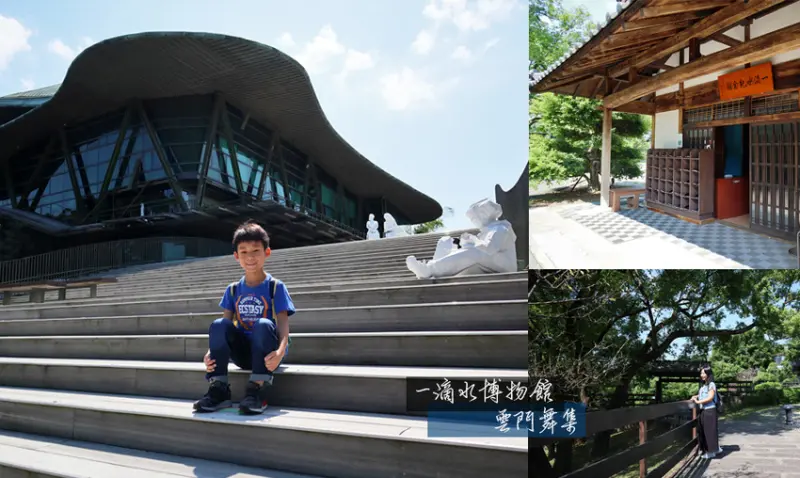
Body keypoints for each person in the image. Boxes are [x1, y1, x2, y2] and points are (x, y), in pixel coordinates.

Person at [193, 221, 295, 415]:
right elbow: (225, 325)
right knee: (218, 324)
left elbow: (283, 324)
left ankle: (257, 389)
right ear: (236, 256)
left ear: (267, 253)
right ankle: (219, 388)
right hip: (242, 354)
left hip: (267, 354)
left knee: (264, 324)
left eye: (256, 251)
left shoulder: (275, 286)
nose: (250, 257)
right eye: (244, 252)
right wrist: (210, 352)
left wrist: (281, 353)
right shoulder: (232, 289)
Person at [691, 366, 723, 459]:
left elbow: (710, 397)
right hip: (704, 411)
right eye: (701, 373)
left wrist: (698, 402)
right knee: (705, 431)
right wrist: (696, 396)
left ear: (708, 374)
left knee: (709, 432)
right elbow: (704, 394)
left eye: (704, 373)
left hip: (710, 410)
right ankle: (715, 449)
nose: (702, 375)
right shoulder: (704, 385)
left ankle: (711, 452)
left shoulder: (711, 384)